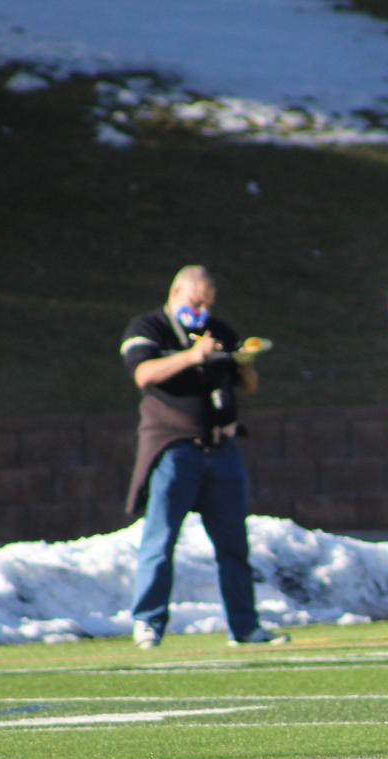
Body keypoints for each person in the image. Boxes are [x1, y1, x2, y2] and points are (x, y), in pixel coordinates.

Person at [119, 265, 286, 649]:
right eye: (196, 301)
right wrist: (193, 355)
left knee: (233, 545)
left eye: (208, 303)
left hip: (222, 448)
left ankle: (244, 627)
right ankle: (148, 622)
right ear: (177, 291)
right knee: (160, 540)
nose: (202, 310)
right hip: (174, 447)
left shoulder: (218, 329)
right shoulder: (149, 327)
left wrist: (244, 362)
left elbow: (250, 386)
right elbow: (144, 374)